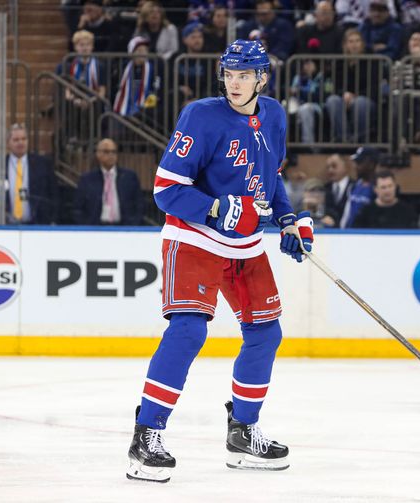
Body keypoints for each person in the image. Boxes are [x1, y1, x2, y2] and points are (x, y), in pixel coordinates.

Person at [127, 39, 313, 483]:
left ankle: (243, 433)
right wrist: (216, 207)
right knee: (189, 330)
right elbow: (166, 188)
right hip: (194, 237)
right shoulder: (201, 115)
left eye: (244, 75)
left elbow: (271, 180)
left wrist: (289, 219)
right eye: (229, 73)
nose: (235, 82)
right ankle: (145, 437)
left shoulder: (274, 115)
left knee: (267, 334)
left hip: (245, 244)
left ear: (262, 77)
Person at [0, 124, 58, 225]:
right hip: (6, 226)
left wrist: (52, 219)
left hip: (37, 224)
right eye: (16, 140)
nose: (20, 143)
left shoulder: (42, 164)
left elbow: (53, 193)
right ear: (8, 143)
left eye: (24, 139)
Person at [73, 138, 144, 225]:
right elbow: (78, 207)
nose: (111, 155)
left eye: (113, 152)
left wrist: (133, 224)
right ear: (98, 154)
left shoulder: (129, 177)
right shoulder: (87, 179)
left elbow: (139, 204)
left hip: (124, 228)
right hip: (94, 229)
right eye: (106, 151)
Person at [326, 29, 376, 143]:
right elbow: (334, 85)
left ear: (362, 44)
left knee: (360, 102)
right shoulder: (339, 62)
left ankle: (359, 140)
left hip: (366, 98)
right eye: (351, 41)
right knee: (332, 100)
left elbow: (375, 87)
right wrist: (343, 93)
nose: (354, 45)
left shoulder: (372, 61)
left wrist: (355, 95)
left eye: (357, 41)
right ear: (345, 45)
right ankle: (345, 139)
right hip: (344, 97)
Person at [352, 169, 417, 228]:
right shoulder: (365, 212)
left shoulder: (407, 211)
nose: (387, 190)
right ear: (375, 189)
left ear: (395, 186)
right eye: (383, 187)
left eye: (390, 186)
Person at [340, 146, 378, 228]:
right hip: (349, 234)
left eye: (359, 162)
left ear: (371, 164)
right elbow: (346, 214)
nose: (355, 166)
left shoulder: (377, 189)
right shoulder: (352, 186)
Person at [322, 153, 353, 227]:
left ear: (345, 167)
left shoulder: (354, 187)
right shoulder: (325, 188)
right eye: (328, 167)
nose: (330, 170)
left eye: (334, 166)